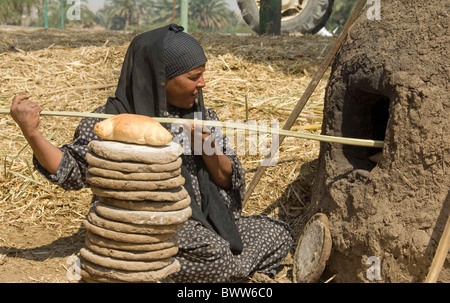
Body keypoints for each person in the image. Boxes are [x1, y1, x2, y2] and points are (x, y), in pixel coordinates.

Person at [10, 24, 293, 283]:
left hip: (208, 220)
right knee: (217, 255)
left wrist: (207, 147)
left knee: (278, 234)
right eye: (194, 76)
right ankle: (211, 272)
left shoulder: (203, 117)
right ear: (160, 80)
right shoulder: (111, 121)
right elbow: (71, 172)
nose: (203, 83)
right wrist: (32, 133)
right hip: (147, 229)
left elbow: (226, 177)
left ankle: (217, 273)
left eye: (203, 74)